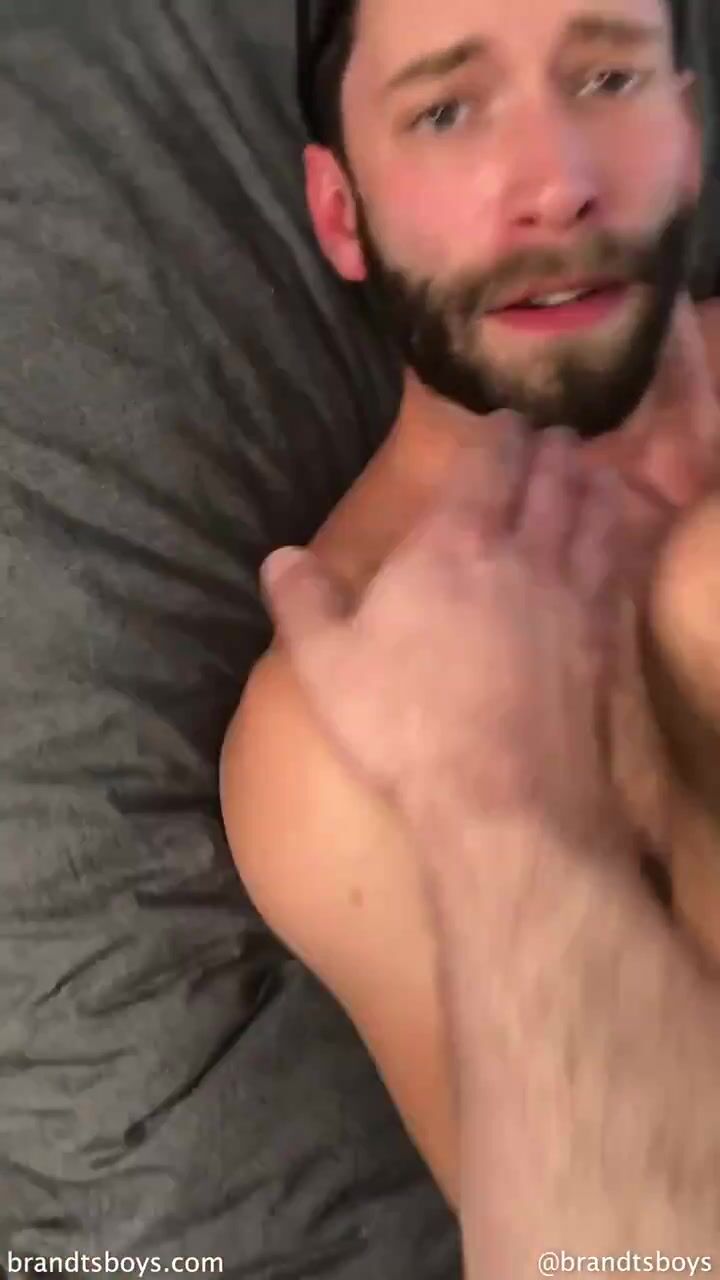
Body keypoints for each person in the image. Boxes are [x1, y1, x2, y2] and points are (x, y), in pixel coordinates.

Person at [221, 0, 720, 1210]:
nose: (559, 187)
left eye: (607, 80)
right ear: (341, 213)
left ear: (689, 135)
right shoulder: (340, 724)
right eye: (447, 111)